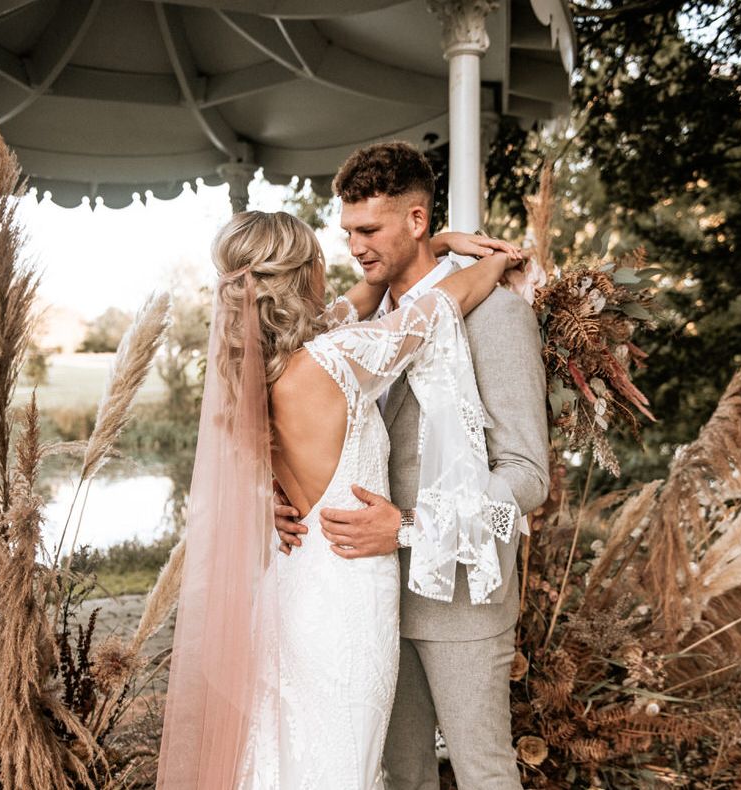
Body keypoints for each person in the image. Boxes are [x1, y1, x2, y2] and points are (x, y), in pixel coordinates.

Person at [156, 198, 528, 788]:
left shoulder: (254, 371)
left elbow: (352, 303)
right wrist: (487, 259)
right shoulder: (337, 359)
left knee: (292, 745)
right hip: (352, 592)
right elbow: (442, 306)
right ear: (304, 275)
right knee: (343, 760)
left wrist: (436, 242)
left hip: (298, 579)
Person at [275, 142, 550, 789]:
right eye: (347, 232)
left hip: (459, 599)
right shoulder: (360, 325)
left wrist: (405, 528)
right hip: (364, 599)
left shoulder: (497, 313)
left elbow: (527, 474)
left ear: (418, 220)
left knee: (484, 772)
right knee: (401, 775)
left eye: (369, 229)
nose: (355, 247)